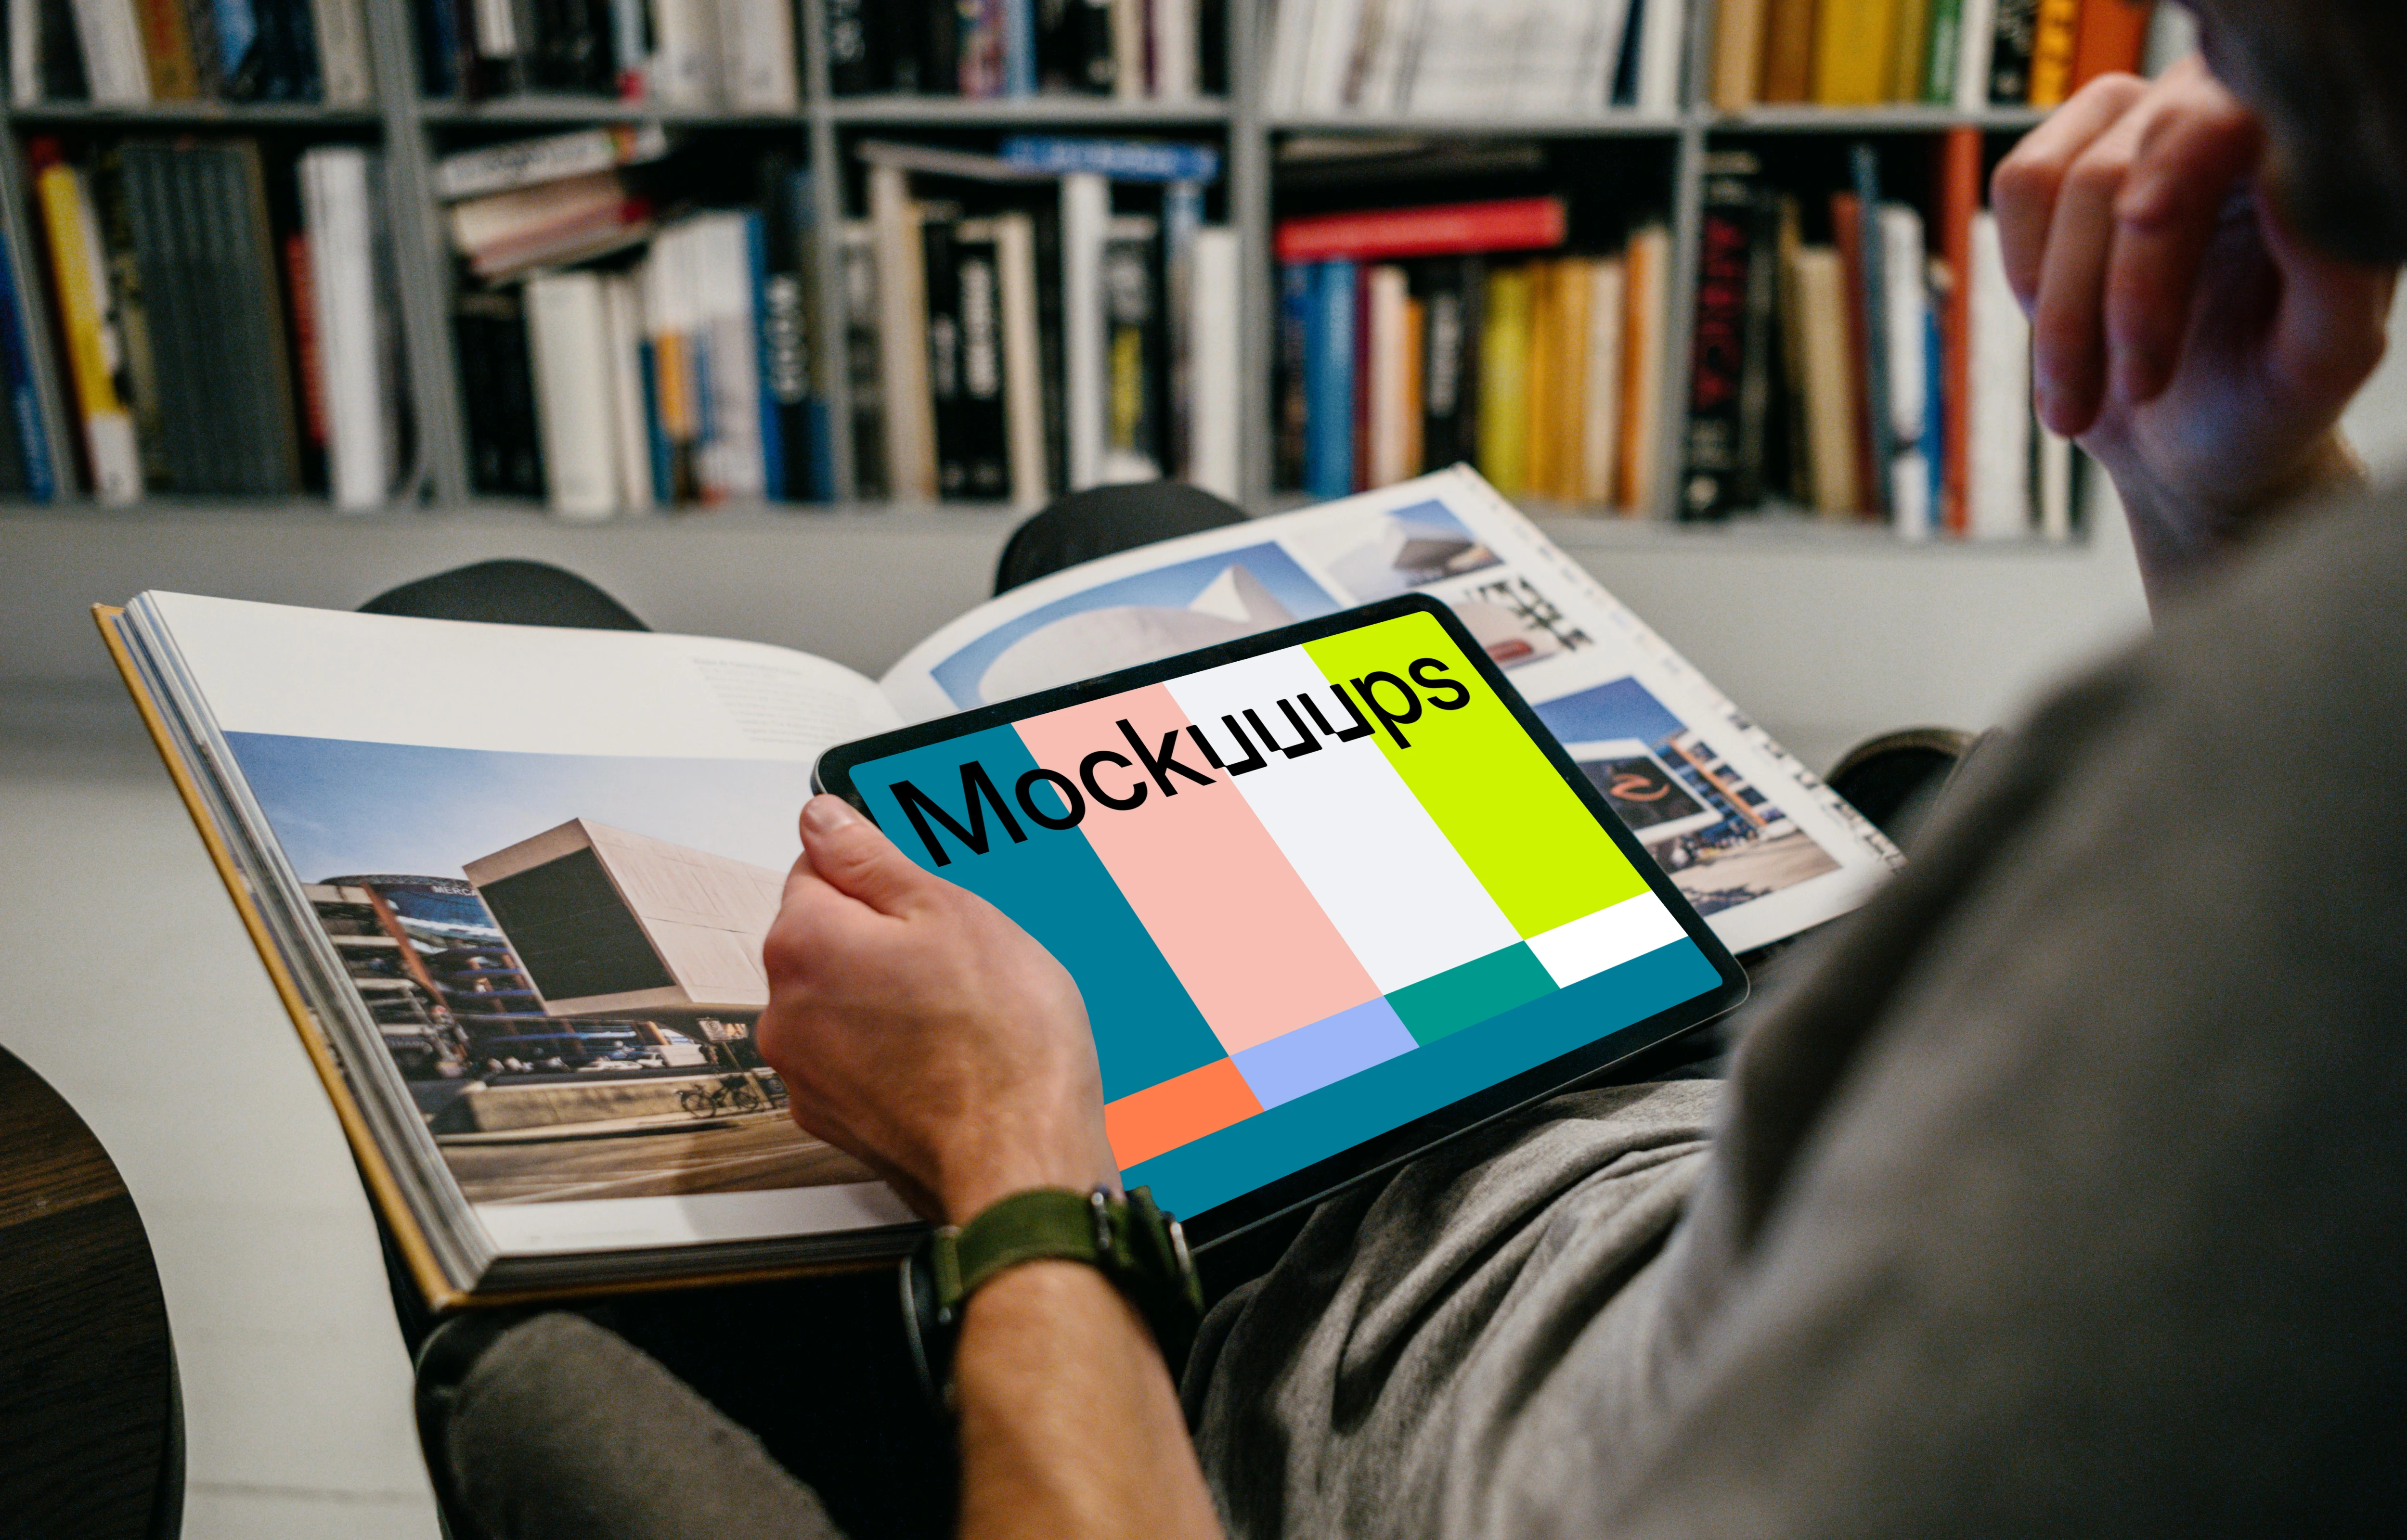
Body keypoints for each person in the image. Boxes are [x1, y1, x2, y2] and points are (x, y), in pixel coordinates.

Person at [424, 3, 2407, 1534]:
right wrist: (2221, 486)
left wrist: (1018, 1152)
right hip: (1649, 1111)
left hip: (1219, 1303)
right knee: (1118, 546)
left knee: (498, 627)